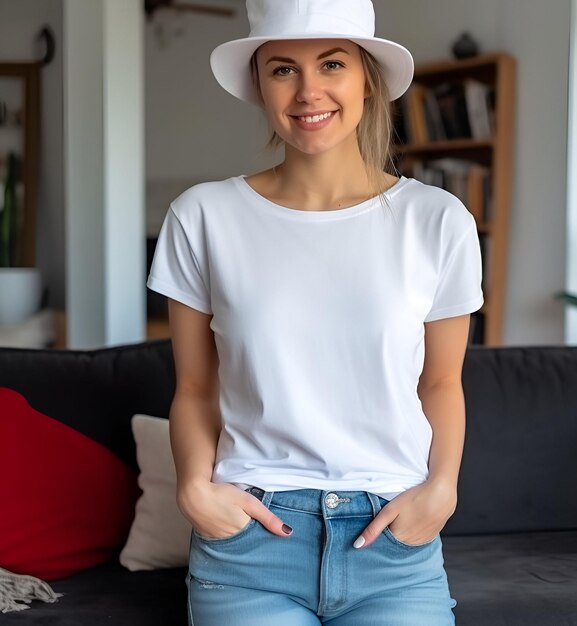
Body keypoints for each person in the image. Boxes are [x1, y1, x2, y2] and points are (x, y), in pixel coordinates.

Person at [147, 0, 483, 624]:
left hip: (392, 538)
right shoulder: (203, 217)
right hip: (251, 541)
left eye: (332, 63)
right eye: (282, 69)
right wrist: (195, 488)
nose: (308, 91)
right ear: (259, 84)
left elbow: (440, 383)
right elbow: (195, 388)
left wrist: (443, 489)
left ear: (366, 78)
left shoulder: (438, 221)